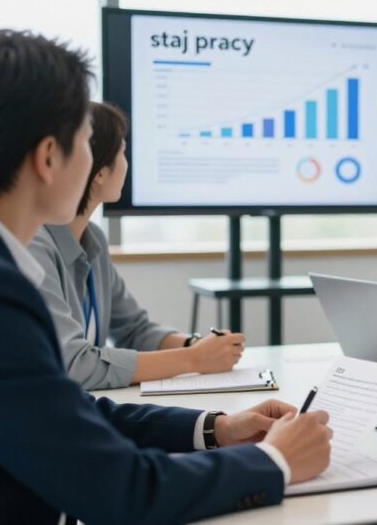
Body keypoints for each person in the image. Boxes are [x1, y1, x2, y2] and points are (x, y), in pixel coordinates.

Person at [0, 29, 332, 524]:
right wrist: (273, 462)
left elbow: (67, 411)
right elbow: (122, 490)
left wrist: (215, 427)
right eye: (87, 141)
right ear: (48, 157)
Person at [29, 101, 243, 390]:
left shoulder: (94, 240)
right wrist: (193, 359)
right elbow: (74, 364)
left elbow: (133, 329)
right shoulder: (33, 246)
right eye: (123, 152)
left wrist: (197, 346)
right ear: (100, 172)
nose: (127, 164)